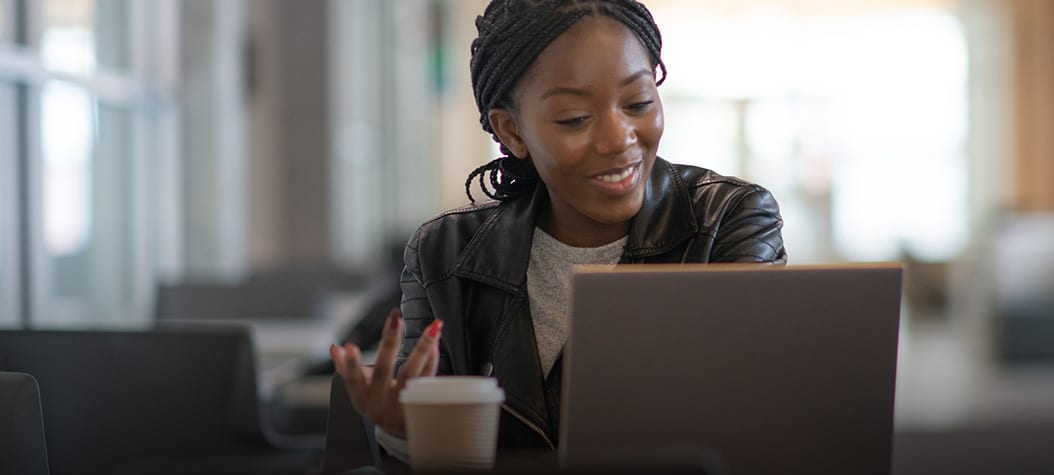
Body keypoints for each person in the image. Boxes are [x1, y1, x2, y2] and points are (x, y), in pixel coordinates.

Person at [328, 0, 786, 462]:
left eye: (639, 102)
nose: (618, 138)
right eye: (574, 118)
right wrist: (403, 435)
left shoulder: (727, 218)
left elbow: (757, 421)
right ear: (511, 132)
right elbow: (437, 445)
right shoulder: (445, 254)